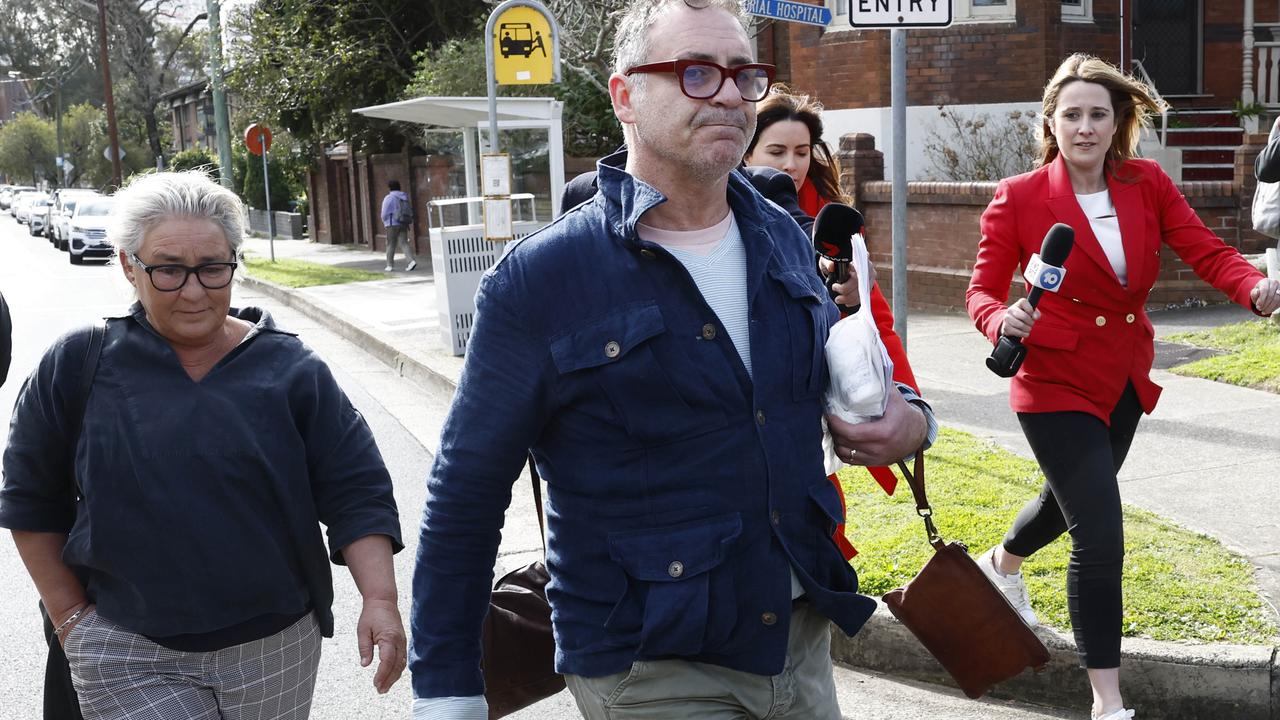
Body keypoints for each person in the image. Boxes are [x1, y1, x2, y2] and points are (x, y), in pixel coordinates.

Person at [408, 1, 936, 718]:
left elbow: (845, 373)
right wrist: (446, 686)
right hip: (650, 665)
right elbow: (466, 493)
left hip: (801, 641)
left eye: (741, 74)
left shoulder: (784, 236)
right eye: (694, 72)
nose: (726, 93)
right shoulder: (541, 279)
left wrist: (913, 421)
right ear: (625, 95)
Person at [0, 171, 408, 719]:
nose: (194, 291)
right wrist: (72, 618)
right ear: (128, 265)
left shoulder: (292, 370)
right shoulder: (79, 363)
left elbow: (356, 491)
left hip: (277, 646)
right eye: (169, 270)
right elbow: (29, 497)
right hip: (128, 649)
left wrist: (380, 600)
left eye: (213, 269)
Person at [966, 53, 1280, 720]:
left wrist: (1252, 287)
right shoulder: (1020, 196)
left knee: (1066, 502)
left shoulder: (1146, 185)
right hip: (1051, 378)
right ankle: (1106, 703)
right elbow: (982, 291)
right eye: (1071, 114)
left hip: (1123, 378)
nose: (1084, 127)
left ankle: (1000, 565)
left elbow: (1205, 249)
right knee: (1100, 534)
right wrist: (1002, 318)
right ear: (1051, 122)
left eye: (1097, 115)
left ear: (1118, 123)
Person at [743, 85, 918, 555]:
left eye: (802, 151)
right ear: (745, 151)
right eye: (775, 151)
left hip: (816, 404)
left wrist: (908, 402)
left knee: (815, 524)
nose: (791, 164)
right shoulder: (722, 216)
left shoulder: (835, 222)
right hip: (748, 405)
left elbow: (876, 324)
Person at [381, 179, 417, 272]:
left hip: (392, 224)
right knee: (404, 243)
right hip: (403, 222)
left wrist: (384, 221)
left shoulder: (389, 198)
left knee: (390, 244)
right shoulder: (404, 197)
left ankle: (389, 265)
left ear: (390, 188)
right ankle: (411, 261)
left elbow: (384, 213)